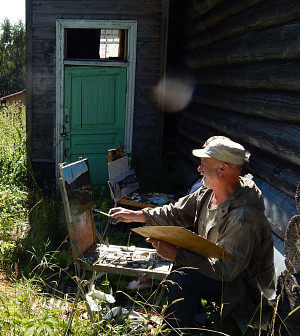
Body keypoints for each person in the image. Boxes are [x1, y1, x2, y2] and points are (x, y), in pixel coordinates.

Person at [109, 137, 275, 329]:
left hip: (243, 288)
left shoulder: (244, 217)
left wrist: (177, 254)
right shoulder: (208, 192)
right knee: (181, 269)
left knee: (183, 277)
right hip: (223, 273)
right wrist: (136, 215)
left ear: (223, 169)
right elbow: (176, 212)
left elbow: (226, 272)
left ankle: (174, 331)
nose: (199, 169)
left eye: (204, 164)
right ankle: (196, 320)